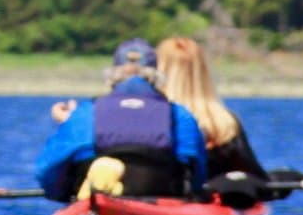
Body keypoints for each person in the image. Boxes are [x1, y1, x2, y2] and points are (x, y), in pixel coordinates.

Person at [34, 39, 208, 201]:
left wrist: (62, 194)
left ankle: (100, 185)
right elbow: (198, 171)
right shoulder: (180, 115)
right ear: (156, 78)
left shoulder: (85, 113)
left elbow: (47, 171)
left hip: (98, 201)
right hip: (161, 196)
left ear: (112, 76)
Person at [155, 35, 268, 181]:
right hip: (207, 196)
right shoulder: (224, 125)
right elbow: (254, 176)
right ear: (203, 71)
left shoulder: (148, 118)